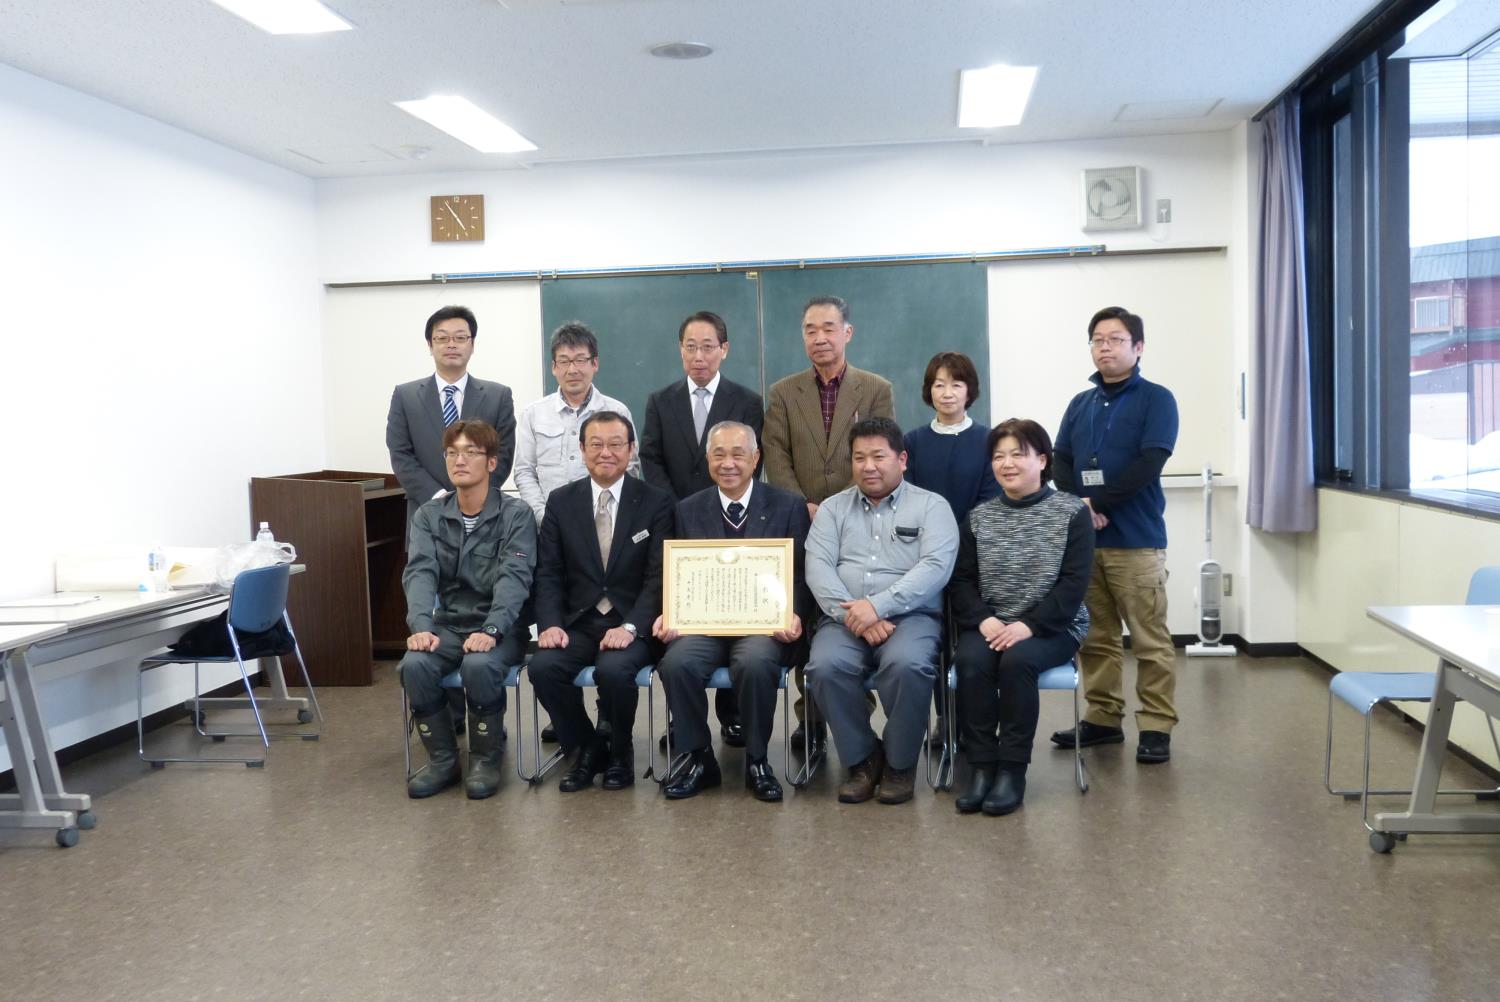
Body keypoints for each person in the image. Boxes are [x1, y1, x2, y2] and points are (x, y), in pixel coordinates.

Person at [653, 421, 813, 802]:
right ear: (707, 459)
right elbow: (675, 572)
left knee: (756, 663)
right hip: (704, 626)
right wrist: (670, 611)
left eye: (738, 454)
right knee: (677, 663)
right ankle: (698, 758)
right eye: (719, 454)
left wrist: (796, 613)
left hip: (763, 627)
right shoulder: (688, 510)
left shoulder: (787, 505)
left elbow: (804, 573)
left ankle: (758, 760)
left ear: (756, 458)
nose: (728, 463)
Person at [1050, 306, 1180, 764]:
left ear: (1137, 347)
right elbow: (1059, 459)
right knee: (1096, 636)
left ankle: (1156, 724)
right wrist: (1079, 505)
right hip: (1088, 543)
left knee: (1149, 639)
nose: (1105, 347)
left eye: (1116, 339)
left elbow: (1150, 462)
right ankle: (1103, 717)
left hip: (1137, 539)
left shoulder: (1157, 399)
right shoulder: (1080, 404)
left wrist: (1098, 504)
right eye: (1098, 340)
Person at [804, 417, 958, 805]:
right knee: (824, 667)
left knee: (908, 666)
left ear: (902, 459)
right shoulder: (832, 510)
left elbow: (936, 568)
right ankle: (862, 758)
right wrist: (855, 615)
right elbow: (818, 568)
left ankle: (899, 762)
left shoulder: (931, 506)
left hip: (912, 617)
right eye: (859, 458)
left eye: (878, 456)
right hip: (843, 618)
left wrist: (878, 606)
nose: (868, 466)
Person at [763, 296, 894, 748]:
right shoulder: (783, 392)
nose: (819, 337)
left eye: (828, 328)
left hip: (859, 518)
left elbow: (878, 453)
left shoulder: (875, 388)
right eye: (810, 330)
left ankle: (856, 712)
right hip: (799, 521)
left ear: (847, 333)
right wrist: (803, 505)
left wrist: (838, 505)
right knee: (808, 612)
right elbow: (775, 453)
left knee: (856, 607)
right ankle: (810, 717)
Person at [949, 419, 1093, 816]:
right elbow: (961, 581)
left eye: (1018, 454)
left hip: (1055, 625)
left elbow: (1073, 584)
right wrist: (983, 619)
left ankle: (1012, 770)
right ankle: (981, 766)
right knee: (972, 661)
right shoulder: (980, 517)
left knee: (1018, 663)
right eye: (998, 456)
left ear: (1042, 460)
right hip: (993, 622)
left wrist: (1029, 625)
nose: (1006, 463)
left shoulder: (1070, 513)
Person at [528, 412, 675, 792]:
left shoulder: (656, 503)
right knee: (544, 667)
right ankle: (586, 746)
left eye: (615, 444)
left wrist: (631, 628)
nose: (605, 453)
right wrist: (550, 623)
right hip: (578, 621)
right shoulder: (561, 502)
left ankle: (621, 750)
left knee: (614, 671)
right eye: (596, 444)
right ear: (581, 450)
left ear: (631, 451)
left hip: (631, 622)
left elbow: (659, 577)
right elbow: (547, 571)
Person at [640, 310, 764, 746]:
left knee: (731, 612)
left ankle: (732, 714)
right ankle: (682, 719)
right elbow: (651, 457)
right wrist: (681, 508)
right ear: (680, 350)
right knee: (685, 620)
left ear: (724, 350)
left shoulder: (746, 399)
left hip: (733, 519)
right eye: (690, 346)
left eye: (708, 346)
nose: (698, 355)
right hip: (677, 522)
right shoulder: (661, 400)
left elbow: (751, 458)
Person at [398, 420, 535, 800]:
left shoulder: (515, 514)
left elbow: (515, 577)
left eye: (471, 452)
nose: (460, 460)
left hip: (500, 628)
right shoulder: (429, 515)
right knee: (415, 664)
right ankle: (443, 759)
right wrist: (422, 625)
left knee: (479, 665)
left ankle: (485, 760)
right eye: (452, 453)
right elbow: (420, 573)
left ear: (492, 463)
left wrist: (491, 630)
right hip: (449, 625)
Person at [386, 305, 516, 526]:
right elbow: (401, 455)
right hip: (425, 512)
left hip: (483, 516)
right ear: (430, 344)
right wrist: (438, 497)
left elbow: (502, 455)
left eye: (460, 337)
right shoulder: (405, 396)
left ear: (472, 344)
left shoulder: (498, 396)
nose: (451, 344)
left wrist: (474, 497)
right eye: (442, 338)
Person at [513, 322, 640, 524]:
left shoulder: (617, 411)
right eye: (564, 361)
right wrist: (544, 517)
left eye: (580, 360)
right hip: (546, 526)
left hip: (603, 524)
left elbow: (630, 467)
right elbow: (524, 471)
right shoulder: (533, 414)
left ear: (595, 364)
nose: (572, 370)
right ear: (554, 367)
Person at [903, 351, 1000, 524]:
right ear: (929, 390)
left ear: (969, 391)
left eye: (956, 385)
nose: (947, 394)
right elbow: (908, 499)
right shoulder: (912, 442)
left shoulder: (989, 441)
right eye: (939, 385)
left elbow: (990, 501)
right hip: (923, 539)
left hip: (974, 541)